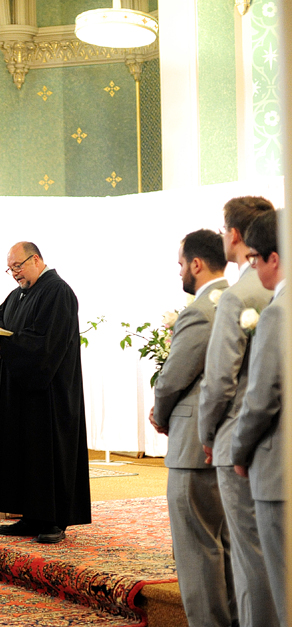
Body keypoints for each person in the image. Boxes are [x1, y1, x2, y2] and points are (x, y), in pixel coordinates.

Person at [197, 197, 278, 627]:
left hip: (240, 442)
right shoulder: (276, 285)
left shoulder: (237, 296)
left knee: (252, 561)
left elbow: (220, 381)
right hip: (279, 440)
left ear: (235, 234)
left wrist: (208, 436)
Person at [150, 230, 236, 627]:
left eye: (181, 262)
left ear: (196, 264)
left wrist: (159, 413)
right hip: (227, 439)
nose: (180, 269)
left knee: (197, 552)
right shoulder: (237, 302)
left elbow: (172, 378)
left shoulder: (201, 310)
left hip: (192, 443)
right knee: (226, 547)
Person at [0, 242, 90, 544]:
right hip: (21, 391)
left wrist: (8, 345)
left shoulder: (58, 292)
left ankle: (54, 519)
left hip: (49, 394)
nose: (14, 273)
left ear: (37, 259)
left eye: (18, 266)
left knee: (47, 453)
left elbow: (47, 344)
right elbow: (0, 321)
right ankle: (30, 514)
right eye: (10, 268)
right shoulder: (17, 296)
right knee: (23, 452)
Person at [233, 210, 286, 626]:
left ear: (275, 258)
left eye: (255, 259)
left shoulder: (278, 312)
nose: (252, 268)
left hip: (278, 470)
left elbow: (263, 396)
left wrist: (239, 448)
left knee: (284, 587)